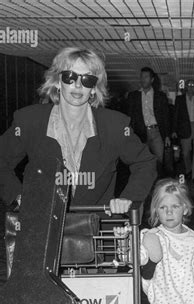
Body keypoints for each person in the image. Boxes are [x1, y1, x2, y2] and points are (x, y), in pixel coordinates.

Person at [0, 47, 157, 213]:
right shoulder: (30, 121)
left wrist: (128, 198)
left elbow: (145, 162)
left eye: (87, 80)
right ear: (57, 81)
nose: (77, 85)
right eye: (69, 77)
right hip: (41, 226)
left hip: (94, 229)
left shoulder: (115, 126)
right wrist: (18, 196)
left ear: (94, 88)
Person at [126, 67, 171, 178]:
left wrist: (167, 136)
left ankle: (158, 187)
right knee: (142, 161)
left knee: (159, 162)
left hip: (157, 133)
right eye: (141, 77)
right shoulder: (133, 96)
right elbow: (129, 117)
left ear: (152, 79)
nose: (143, 79)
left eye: (146, 77)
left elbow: (166, 117)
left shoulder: (160, 96)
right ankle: (145, 187)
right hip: (140, 133)